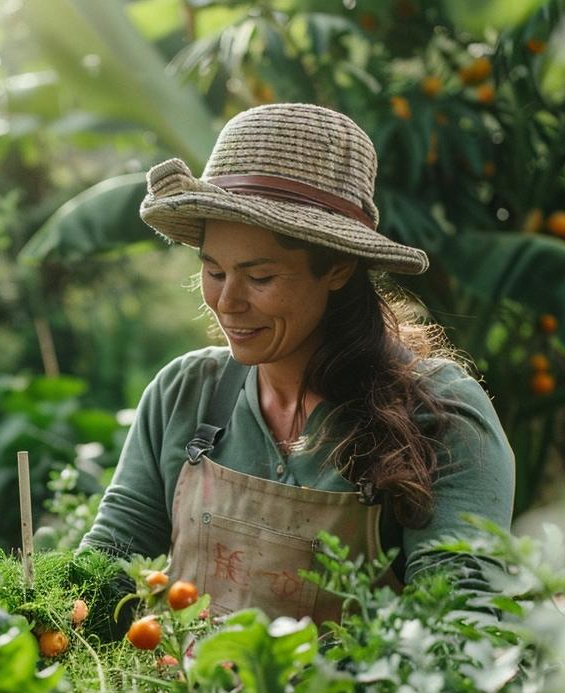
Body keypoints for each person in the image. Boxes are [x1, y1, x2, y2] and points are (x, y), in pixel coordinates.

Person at [80, 103, 515, 624]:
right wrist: (40, 616)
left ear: (337, 266)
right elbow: (109, 564)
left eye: (259, 277)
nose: (227, 301)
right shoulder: (183, 394)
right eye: (214, 271)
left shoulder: (440, 415)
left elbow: (458, 619)